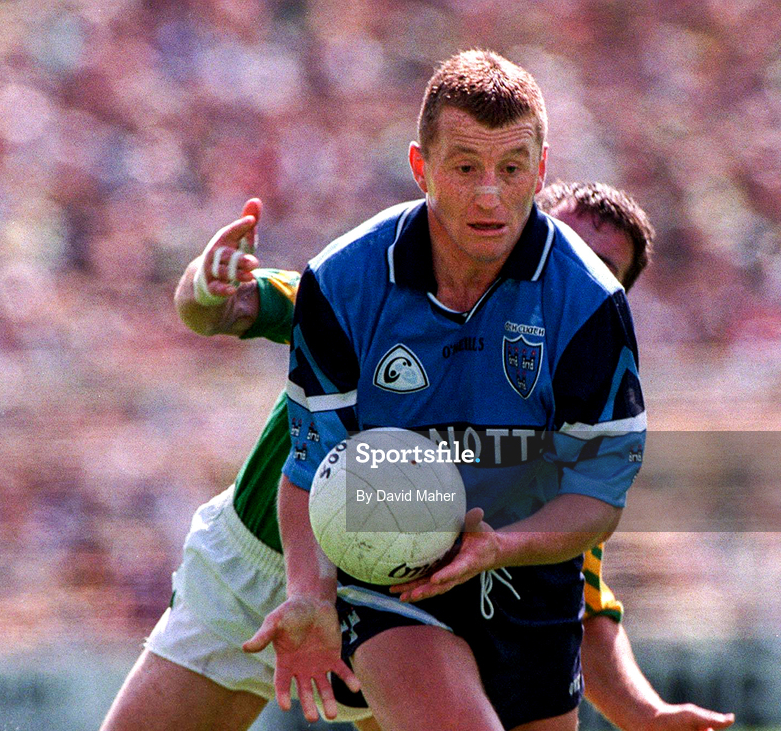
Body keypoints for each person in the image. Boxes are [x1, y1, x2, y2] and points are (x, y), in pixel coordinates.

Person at [98, 183, 734, 731]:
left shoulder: (562, 424)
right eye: (556, 238)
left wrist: (645, 713)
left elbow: (582, 600)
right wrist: (207, 289)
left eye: (595, 265)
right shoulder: (376, 288)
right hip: (261, 566)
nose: (562, 263)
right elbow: (233, 305)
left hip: (399, 598)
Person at [250, 50, 645, 731]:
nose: (490, 194)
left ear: (540, 170)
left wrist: (504, 547)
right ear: (421, 167)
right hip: (390, 577)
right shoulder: (343, 280)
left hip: (532, 575)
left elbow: (598, 500)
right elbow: (309, 468)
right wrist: (310, 594)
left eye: (511, 169)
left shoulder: (588, 301)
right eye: (465, 167)